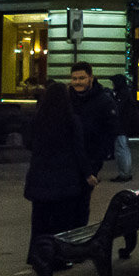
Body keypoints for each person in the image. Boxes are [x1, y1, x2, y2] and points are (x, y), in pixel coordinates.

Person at [24, 81, 95, 264]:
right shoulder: (71, 120)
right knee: (60, 224)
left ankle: (35, 256)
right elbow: (79, 150)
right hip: (64, 179)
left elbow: (28, 143)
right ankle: (56, 258)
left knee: (39, 222)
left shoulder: (37, 119)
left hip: (39, 178)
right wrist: (88, 174)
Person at [69, 61, 117, 221]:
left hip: (90, 159)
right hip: (68, 160)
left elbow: (110, 132)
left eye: (82, 78)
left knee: (82, 203)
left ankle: (79, 239)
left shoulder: (103, 100)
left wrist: (97, 162)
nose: (77, 82)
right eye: (74, 78)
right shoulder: (67, 98)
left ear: (91, 78)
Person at [109, 74, 135, 182]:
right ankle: (126, 173)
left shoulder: (122, 94)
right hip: (124, 125)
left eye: (114, 82)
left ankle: (124, 174)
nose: (113, 85)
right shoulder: (125, 92)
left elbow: (117, 109)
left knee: (121, 149)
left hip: (121, 126)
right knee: (123, 149)